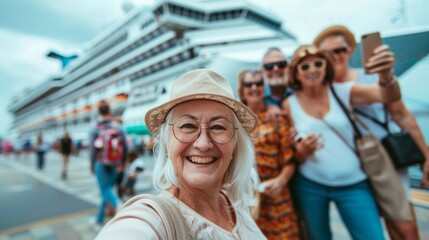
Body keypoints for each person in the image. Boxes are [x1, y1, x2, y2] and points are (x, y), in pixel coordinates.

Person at [96, 69, 266, 239]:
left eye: (218, 127)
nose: (203, 144)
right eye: (188, 126)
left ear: (235, 143)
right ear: (167, 141)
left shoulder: (235, 204)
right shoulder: (153, 219)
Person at [313, 25, 428, 240]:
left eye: (339, 50)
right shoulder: (319, 89)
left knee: (404, 226)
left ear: (349, 51)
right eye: (327, 53)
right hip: (354, 167)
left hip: (384, 157)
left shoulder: (372, 78)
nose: (335, 56)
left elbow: (401, 114)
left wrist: (426, 157)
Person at [281, 44, 404, 239]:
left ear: (326, 67)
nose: (312, 70)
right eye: (304, 67)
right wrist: (302, 149)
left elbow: (387, 95)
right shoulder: (289, 104)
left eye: (318, 64)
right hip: (310, 185)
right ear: (295, 74)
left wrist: (386, 74)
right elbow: (294, 152)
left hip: (353, 183)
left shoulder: (342, 91)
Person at [237, 69, 300, 239]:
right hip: (246, 199)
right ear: (242, 90)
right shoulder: (235, 123)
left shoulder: (277, 117)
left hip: (276, 195)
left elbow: (290, 158)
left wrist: (280, 181)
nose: (254, 87)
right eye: (249, 84)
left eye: (259, 83)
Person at [89, 100, 128, 228]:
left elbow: (92, 149)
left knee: (105, 190)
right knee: (107, 190)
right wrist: (122, 163)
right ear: (110, 112)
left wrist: (92, 165)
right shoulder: (118, 127)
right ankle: (99, 220)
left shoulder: (95, 128)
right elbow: (125, 146)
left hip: (101, 163)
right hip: (116, 163)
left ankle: (118, 206)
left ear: (99, 112)